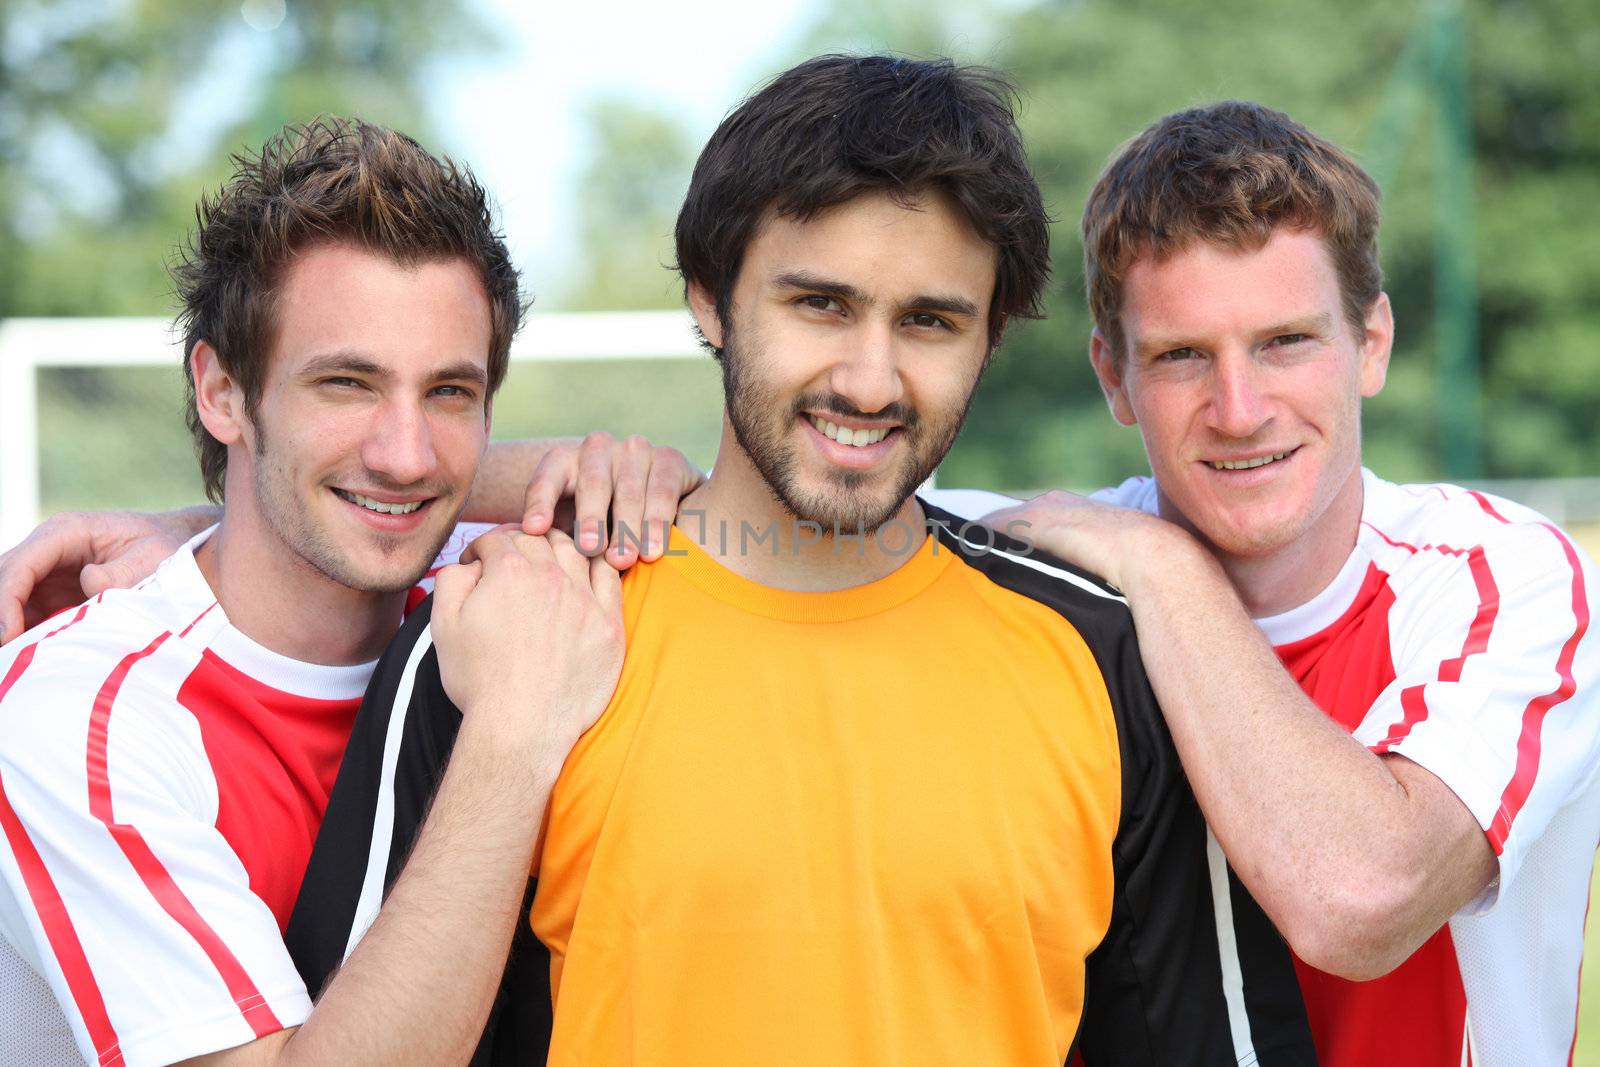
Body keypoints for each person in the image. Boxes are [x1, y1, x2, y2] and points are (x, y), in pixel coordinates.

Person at [289, 56, 1317, 1066]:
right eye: (819, 304)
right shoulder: (503, 627)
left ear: (990, 335)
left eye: (929, 321)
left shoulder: (1105, 657)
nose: (870, 380)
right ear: (709, 298)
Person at [0, 118, 698, 1066]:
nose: (406, 453)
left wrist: (616, 468)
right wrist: (512, 736)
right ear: (222, 392)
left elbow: (941, 521)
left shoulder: (495, 590)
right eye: (346, 383)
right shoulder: (81, 713)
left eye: (450, 392)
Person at [964, 102, 1600, 1066]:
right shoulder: (1034, 567)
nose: (1240, 409)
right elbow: (777, 518)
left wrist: (1167, 567)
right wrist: (649, 492)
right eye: (1183, 356)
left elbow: (1358, 900)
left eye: (1285, 342)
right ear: (1114, 375)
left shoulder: (1508, 578)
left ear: (1371, 343)